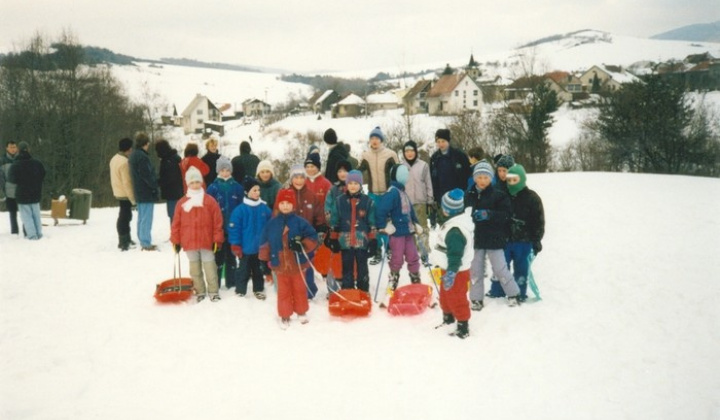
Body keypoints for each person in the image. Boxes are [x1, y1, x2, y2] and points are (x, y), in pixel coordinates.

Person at [465, 160, 521, 309]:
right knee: (475, 270)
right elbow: (462, 215)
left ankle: (513, 294)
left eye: (486, 177)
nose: (482, 181)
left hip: (494, 238)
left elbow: (506, 215)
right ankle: (476, 299)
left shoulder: (498, 195)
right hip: (476, 239)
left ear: (491, 178)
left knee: (500, 269)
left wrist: (489, 214)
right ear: (475, 178)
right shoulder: (469, 195)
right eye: (479, 177)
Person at [258, 189, 318, 329]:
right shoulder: (272, 224)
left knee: (299, 289)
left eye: (288, 203)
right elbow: (265, 243)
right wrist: (263, 261)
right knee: (283, 292)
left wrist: (302, 244)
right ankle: (285, 315)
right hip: (279, 264)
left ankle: (301, 311)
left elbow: (313, 237)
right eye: (282, 203)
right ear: (278, 205)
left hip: (297, 263)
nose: (285, 206)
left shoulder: (300, 222)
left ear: (293, 205)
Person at [171, 166, 224, 303]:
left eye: (197, 182)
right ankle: (200, 291)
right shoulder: (182, 203)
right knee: (195, 269)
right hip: (189, 242)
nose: (195, 185)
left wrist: (217, 239)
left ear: (201, 183)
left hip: (206, 241)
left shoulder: (209, 201)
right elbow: (176, 224)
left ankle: (213, 291)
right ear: (188, 184)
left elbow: (217, 222)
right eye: (192, 182)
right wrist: (176, 241)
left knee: (210, 267)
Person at [275, 164, 326, 299]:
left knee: (306, 265)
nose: (299, 180)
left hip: (306, 239)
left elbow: (319, 215)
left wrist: (320, 231)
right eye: (296, 177)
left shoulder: (311, 195)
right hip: (289, 238)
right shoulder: (284, 194)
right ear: (291, 179)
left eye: (301, 177)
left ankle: (308, 290)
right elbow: (276, 215)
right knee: (290, 266)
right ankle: (291, 291)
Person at [432, 188, 475, 339]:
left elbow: (455, 255)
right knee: (445, 295)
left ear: (449, 210)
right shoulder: (450, 223)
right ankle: (448, 318)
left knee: (457, 297)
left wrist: (451, 272)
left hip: (456, 271)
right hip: (448, 269)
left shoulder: (455, 231)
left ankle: (463, 325)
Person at [375, 164, 422, 298]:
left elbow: (410, 211)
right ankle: (393, 279)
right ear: (397, 176)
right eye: (403, 174)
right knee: (397, 258)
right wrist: (383, 226)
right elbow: (381, 210)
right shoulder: (392, 192)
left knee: (413, 256)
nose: (406, 176)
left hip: (408, 231)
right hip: (396, 234)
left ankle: (415, 279)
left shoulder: (402, 192)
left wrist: (416, 223)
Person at [328, 170, 376, 292]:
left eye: (356, 183)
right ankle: (348, 290)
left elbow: (372, 221)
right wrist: (333, 238)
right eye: (350, 183)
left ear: (360, 185)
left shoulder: (367, 201)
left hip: (362, 241)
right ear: (346, 184)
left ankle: (363, 291)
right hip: (345, 241)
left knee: (362, 268)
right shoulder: (340, 201)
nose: (353, 186)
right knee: (347, 268)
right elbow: (335, 220)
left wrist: (373, 240)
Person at [357, 126, 399, 264]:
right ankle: (377, 251)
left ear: (381, 140)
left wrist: (396, 190)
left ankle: (389, 249)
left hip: (387, 193)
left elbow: (398, 173)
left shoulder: (390, 154)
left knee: (387, 222)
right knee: (373, 223)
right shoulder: (365, 155)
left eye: (377, 138)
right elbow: (358, 173)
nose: (374, 141)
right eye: (372, 138)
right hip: (372, 194)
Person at [504, 164, 545, 302]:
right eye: (509, 180)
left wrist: (536, 239)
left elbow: (538, 221)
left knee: (521, 268)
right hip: (506, 239)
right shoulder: (504, 197)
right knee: (502, 267)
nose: (511, 183)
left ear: (521, 179)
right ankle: (499, 291)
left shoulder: (532, 198)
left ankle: (519, 293)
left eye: (514, 180)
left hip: (524, 241)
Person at [229, 177, 271, 299]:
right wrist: (236, 244)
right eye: (254, 190)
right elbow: (234, 229)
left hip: (260, 248)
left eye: (258, 190)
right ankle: (240, 290)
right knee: (243, 271)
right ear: (247, 192)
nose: (257, 192)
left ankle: (258, 289)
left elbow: (271, 224)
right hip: (245, 249)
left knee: (258, 271)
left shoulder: (264, 208)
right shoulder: (240, 210)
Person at [206, 156, 244, 289]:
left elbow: (241, 207)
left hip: (233, 229)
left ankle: (231, 282)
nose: (225, 172)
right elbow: (208, 208)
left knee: (232, 256)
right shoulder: (212, 188)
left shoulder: (237, 187)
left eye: (227, 170)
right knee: (218, 257)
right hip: (218, 229)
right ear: (218, 171)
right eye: (222, 170)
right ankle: (215, 282)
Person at [429, 128, 471, 224]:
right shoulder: (434, 158)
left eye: (443, 141)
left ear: (448, 141)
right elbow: (432, 178)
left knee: (458, 223)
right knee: (445, 225)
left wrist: (464, 192)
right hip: (442, 199)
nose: (440, 144)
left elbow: (468, 173)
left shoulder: (459, 155)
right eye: (438, 142)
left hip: (458, 198)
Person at [401, 140, 433, 259]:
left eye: (411, 150)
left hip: (420, 201)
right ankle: (411, 251)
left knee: (422, 227)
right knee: (409, 227)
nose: (409, 153)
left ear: (415, 151)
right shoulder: (401, 167)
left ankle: (424, 250)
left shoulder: (423, 165)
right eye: (406, 151)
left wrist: (430, 199)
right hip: (406, 202)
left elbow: (428, 183)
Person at [8, 142, 45, 240]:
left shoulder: (16, 164)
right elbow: (43, 174)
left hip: (22, 194)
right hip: (35, 193)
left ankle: (32, 235)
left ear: (18, 151)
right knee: (36, 215)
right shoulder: (37, 163)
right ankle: (39, 233)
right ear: (28, 149)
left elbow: (11, 179)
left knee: (27, 216)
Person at [128, 132, 159, 251]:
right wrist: (154, 185)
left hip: (138, 191)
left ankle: (142, 239)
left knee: (141, 217)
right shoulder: (142, 157)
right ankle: (146, 243)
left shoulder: (133, 155)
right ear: (145, 144)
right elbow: (147, 175)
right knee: (146, 217)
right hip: (145, 192)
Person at [110, 137, 137, 250]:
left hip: (117, 190)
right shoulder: (125, 162)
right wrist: (133, 200)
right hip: (124, 193)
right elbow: (127, 182)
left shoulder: (114, 158)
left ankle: (126, 238)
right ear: (129, 149)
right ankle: (123, 241)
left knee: (125, 216)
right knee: (125, 217)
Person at [154, 139, 183, 224]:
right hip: (178, 191)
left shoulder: (168, 161)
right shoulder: (174, 158)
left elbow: (169, 178)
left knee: (173, 214)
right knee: (176, 214)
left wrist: (158, 182)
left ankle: (175, 235)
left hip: (172, 193)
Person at [0, 140, 19, 235]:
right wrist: (2, 190)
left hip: (21, 190)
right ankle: (14, 231)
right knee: (12, 212)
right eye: (11, 147)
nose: (13, 149)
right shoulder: (2, 160)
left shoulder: (20, 159)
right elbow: (1, 177)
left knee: (24, 212)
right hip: (9, 191)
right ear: (7, 148)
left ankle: (26, 229)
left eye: (14, 147)